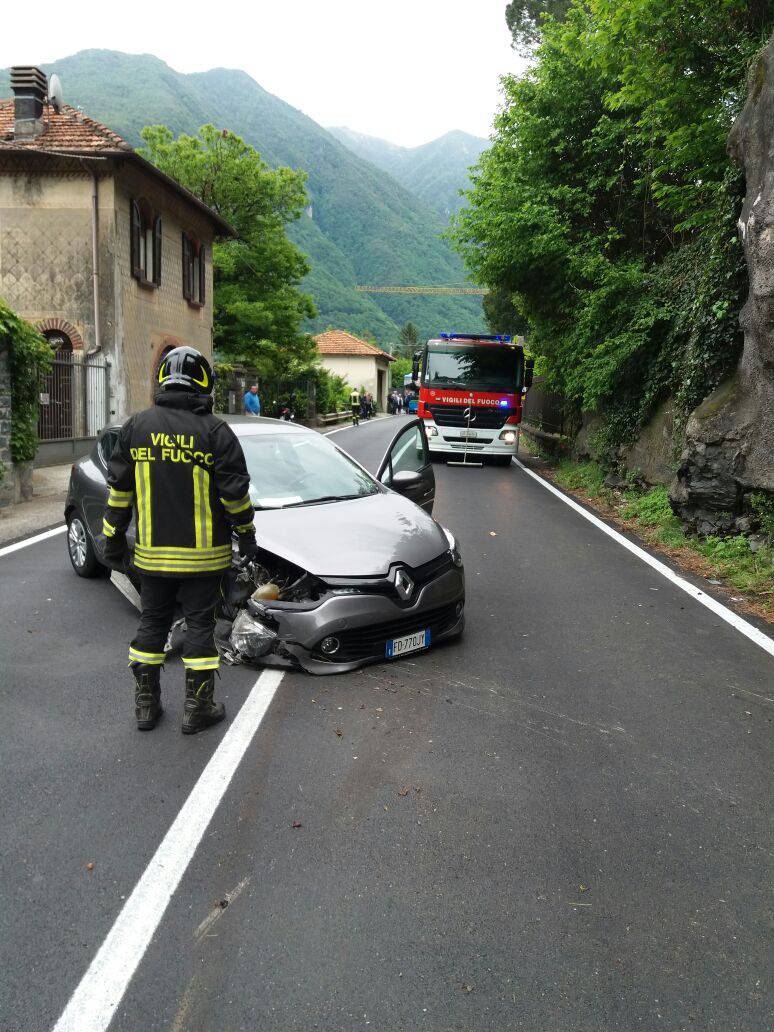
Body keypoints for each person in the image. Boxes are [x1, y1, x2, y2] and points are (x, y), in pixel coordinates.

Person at [102, 346, 260, 735]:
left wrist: (112, 539)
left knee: (152, 624)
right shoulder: (216, 432)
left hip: (153, 558)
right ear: (204, 383)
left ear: (162, 381)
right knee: (200, 627)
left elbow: (119, 493)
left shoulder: (135, 427)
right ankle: (197, 708)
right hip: (204, 559)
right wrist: (247, 534)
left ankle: (146, 706)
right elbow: (235, 496)